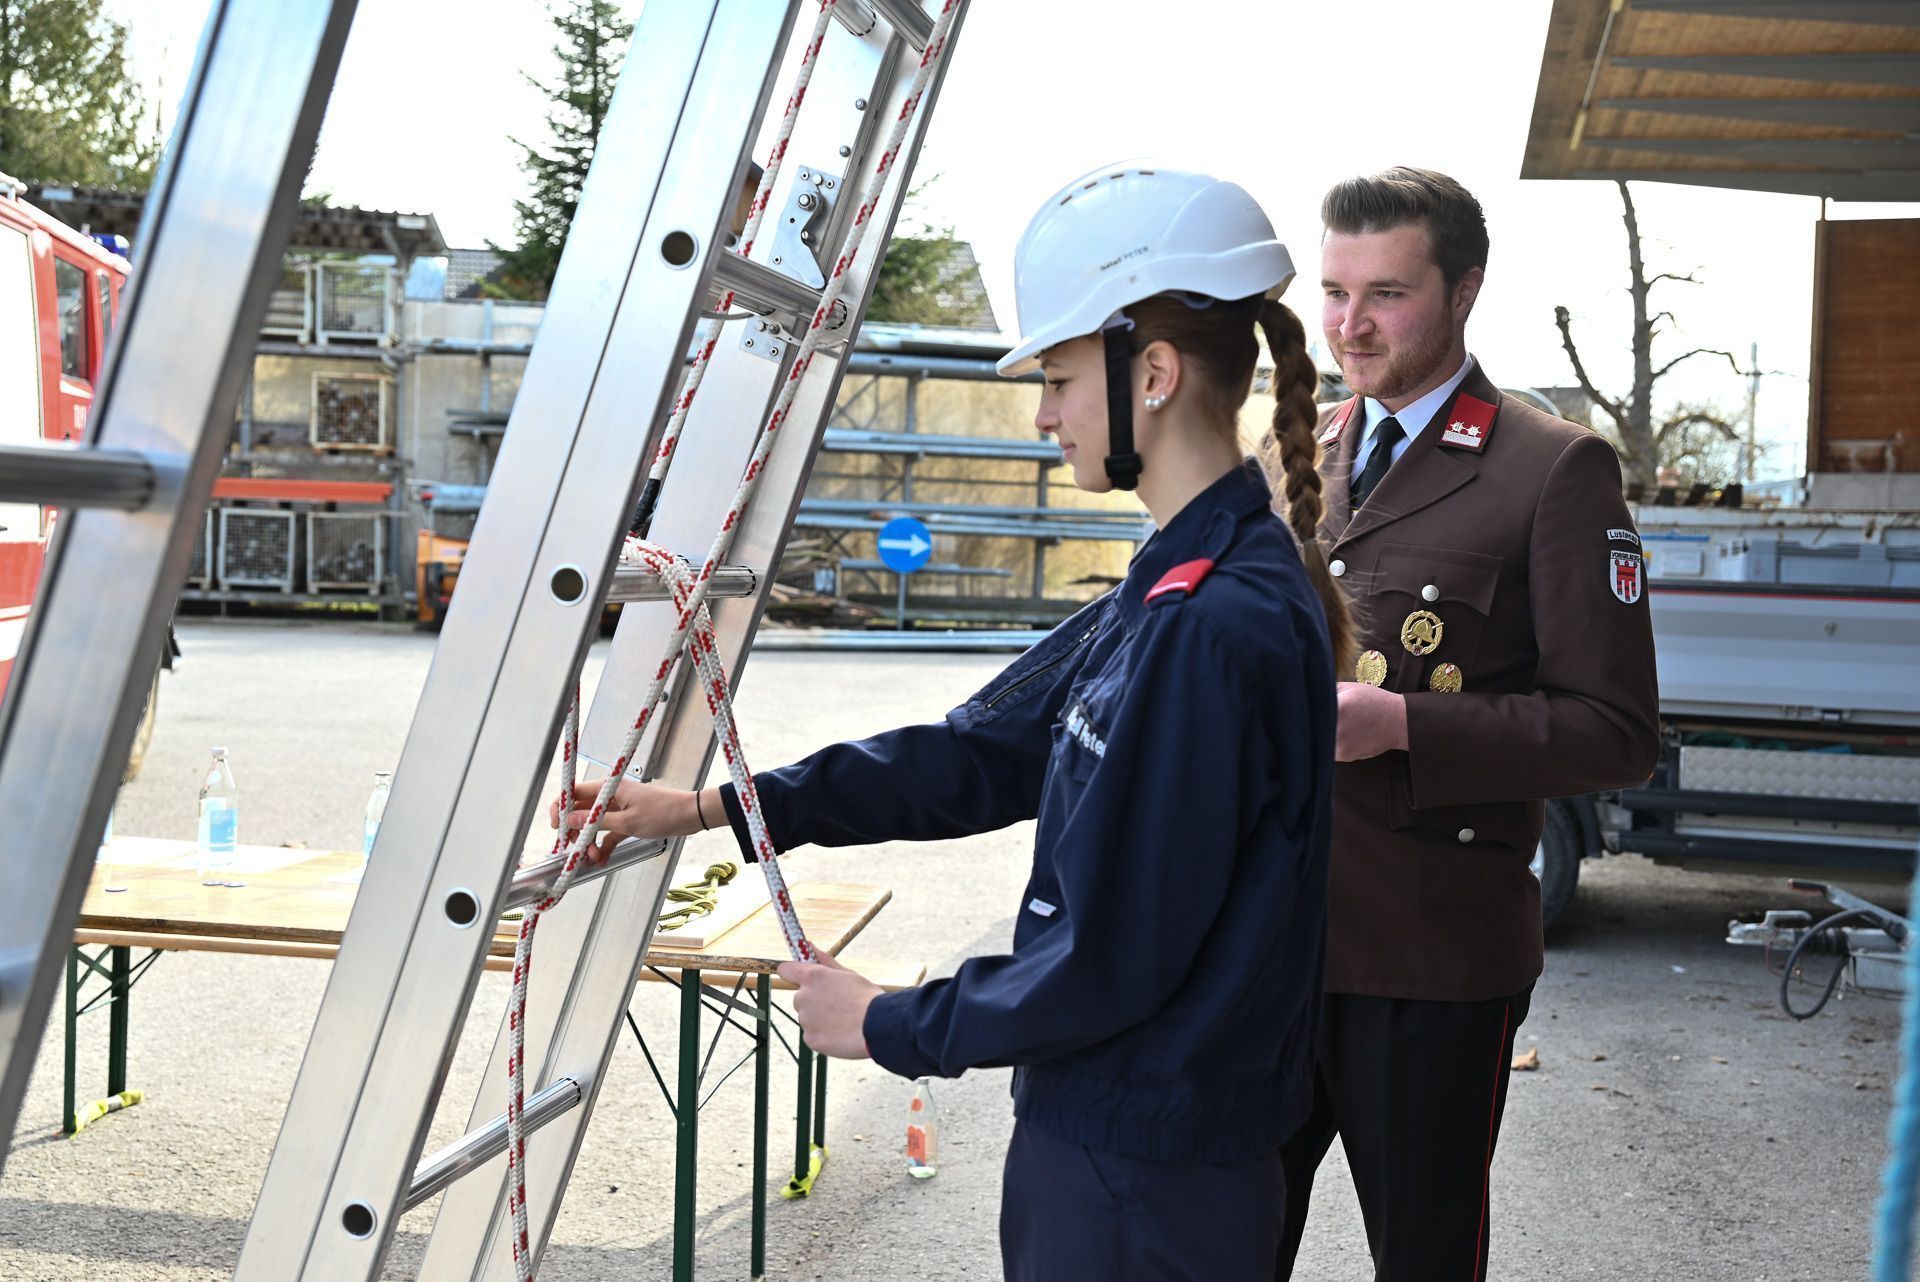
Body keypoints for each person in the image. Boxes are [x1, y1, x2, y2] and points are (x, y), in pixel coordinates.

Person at [557, 162, 1350, 1280]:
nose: (1043, 414)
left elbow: (1111, 960)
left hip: (1144, 1174)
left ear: (1155, 373)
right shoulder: (1179, 584)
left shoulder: (1214, 621)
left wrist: (890, 1021)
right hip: (1129, 1146)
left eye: (1059, 379)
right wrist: (709, 808)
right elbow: (980, 755)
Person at [1275, 166, 1661, 1280]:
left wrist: (1405, 724)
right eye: (1335, 292)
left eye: (1386, 295)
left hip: (1431, 956)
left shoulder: (1552, 468)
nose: (1350, 325)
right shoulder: (1299, 452)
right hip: (1274, 947)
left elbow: (1616, 731)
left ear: (1464, 292)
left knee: (1425, 1259)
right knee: (1223, 1242)